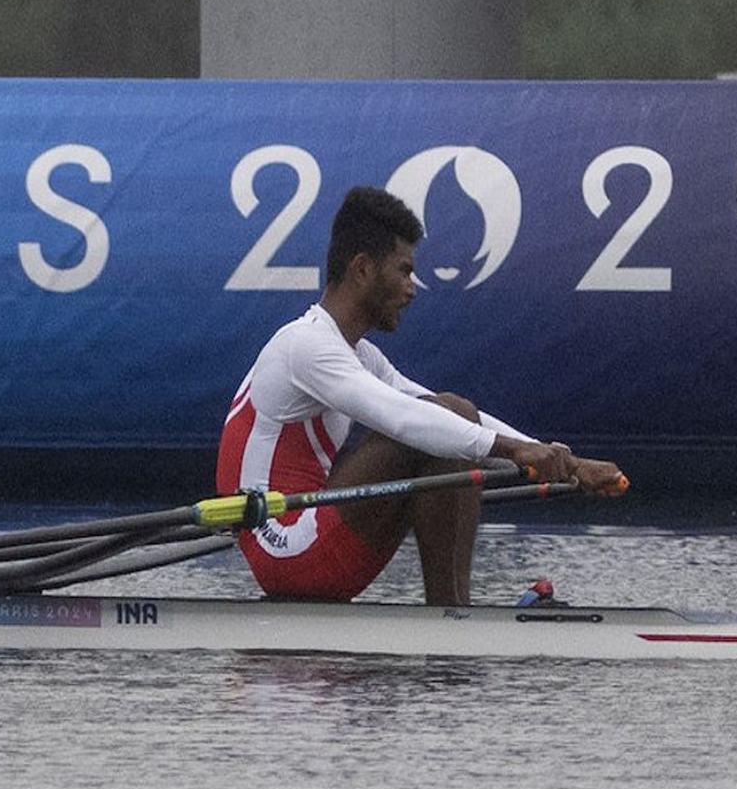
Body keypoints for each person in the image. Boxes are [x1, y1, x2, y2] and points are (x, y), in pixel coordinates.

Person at [217, 185, 627, 606]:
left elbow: (449, 416)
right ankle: (451, 616)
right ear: (361, 269)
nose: (412, 288)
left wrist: (566, 462)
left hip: (308, 539)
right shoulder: (305, 346)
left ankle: (450, 614)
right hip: (282, 545)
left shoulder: (359, 355)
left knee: (450, 419)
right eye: (404, 271)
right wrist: (517, 451)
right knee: (439, 424)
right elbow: (404, 419)